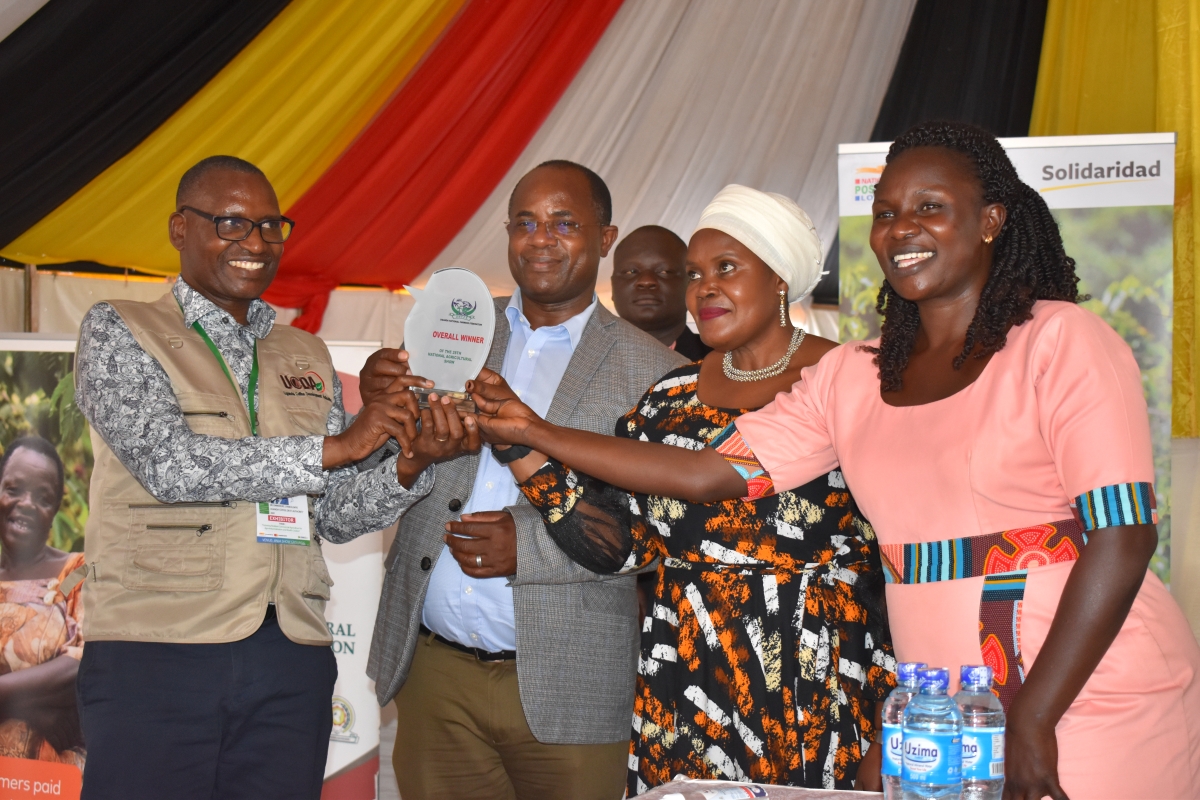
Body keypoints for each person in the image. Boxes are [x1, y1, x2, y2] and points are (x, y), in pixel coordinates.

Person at [467, 122, 1200, 799]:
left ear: (990, 221)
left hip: (1080, 691)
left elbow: (1124, 534)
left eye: (930, 207)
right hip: (936, 706)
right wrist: (537, 432)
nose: (901, 228)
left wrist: (1034, 716)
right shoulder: (855, 375)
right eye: (885, 212)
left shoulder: (1060, 340)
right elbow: (707, 474)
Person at [463, 185, 895, 793]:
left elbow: (901, 549)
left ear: (780, 278)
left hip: (812, 679)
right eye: (694, 274)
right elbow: (623, 545)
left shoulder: (851, 379)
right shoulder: (670, 396)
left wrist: (894, 709)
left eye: (727, 268)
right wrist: (517, 447)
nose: (704, 289)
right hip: (685, 676)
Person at [71, 155, 475, 800]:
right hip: (158, 647)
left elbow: (334, 513)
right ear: (180, 229)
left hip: (290, 654)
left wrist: (410, 463)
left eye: (270, 226)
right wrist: (337, 446)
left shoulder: (304, 352)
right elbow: (170, 465)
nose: (256, 243)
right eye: (231, 223)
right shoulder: (121, 329)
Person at [358, 160, 686, 800]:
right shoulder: (454, 330)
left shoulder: (655, 371)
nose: (541, 240)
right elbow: (377, 472)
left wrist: (528, 547)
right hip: (435, 673)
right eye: (525, 223)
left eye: (564, 223)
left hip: (572, 683)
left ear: (605, 238)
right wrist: (377, 410)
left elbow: (657, 531)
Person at [0, 436, 84, 768]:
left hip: (49, 782)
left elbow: (83, 662)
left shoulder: (77, 573)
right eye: (13, 489)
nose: (26, 504)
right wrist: (36, 710)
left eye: (43, 498)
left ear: (55, 511)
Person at [611, 225, 711, 361]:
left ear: (690, 285)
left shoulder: (728, 363)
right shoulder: (583, 360)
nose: (646, 281)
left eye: (664, 271)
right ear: (613, 286)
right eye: (631, 272)